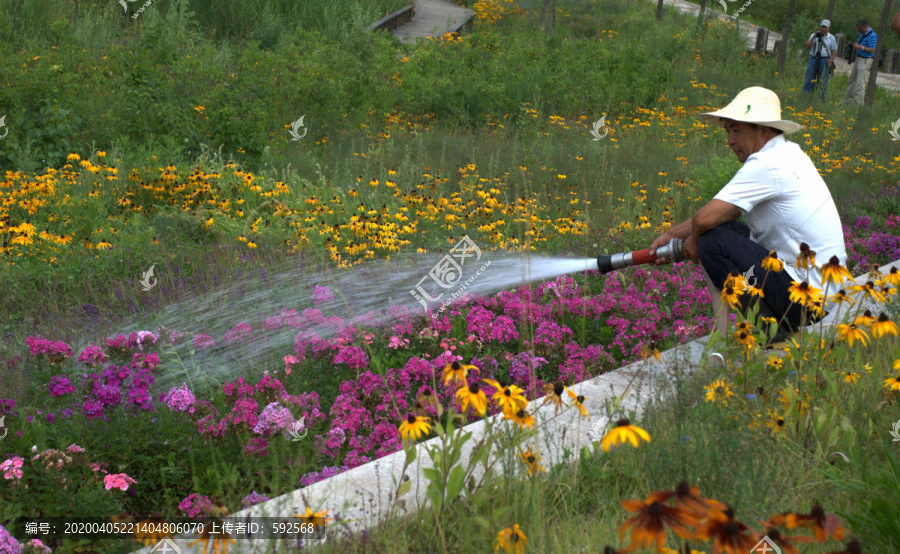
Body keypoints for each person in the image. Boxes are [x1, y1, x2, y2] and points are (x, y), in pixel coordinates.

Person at [649, 86, 847, 339]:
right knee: (720, 232)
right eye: (727, 131)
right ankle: (764, 326)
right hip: (826, 290)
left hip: (806, 298)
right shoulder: (789, 153)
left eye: (736, 130)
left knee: (711, 243)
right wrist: (671, 236)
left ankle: (769, 333)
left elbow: (705, 219)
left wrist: (695, 242)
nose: (729, 140)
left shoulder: (765, 163)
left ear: (762, 130)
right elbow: (725, 214)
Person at [840, 19, 877, 105]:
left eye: (860, 29)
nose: (859, 31)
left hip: (865, 60)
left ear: (865, 26)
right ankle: (848, 100)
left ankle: (858, 103)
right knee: (852, 80)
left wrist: (861, 47)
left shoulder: (872, 35)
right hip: (858, 58)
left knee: (860, 82)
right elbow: (858, 43)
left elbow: (873, 50)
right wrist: (852, 45)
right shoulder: (862, 34)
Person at [802, 20, 837, 99]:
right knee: (809, 79)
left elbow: (835, 49)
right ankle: (806, 97)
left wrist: (831, 60)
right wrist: (814, 36)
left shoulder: (831, 38)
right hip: (813, 58)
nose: (823, 29)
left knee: (822, 81)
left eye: (825, 27)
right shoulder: (814, 35)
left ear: (828, 28)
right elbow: (807, 45)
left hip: (824, 60)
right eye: (822, 27)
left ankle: (821, 98)